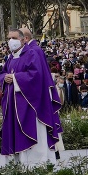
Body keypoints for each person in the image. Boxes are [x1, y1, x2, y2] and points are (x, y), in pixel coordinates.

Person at [0, 29, 56, 166]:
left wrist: (15, 78)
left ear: (23, 39)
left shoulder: (32, 54)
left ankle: (36, 165)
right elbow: (3, 73)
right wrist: (4, 78)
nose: (10, 41)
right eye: (9, 38)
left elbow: (36, 75)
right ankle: (18, 166)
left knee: (30, 134)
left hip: (29, 104)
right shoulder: (11, 57)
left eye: (13, 38)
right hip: (13, 104)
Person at [20, 27, 63, 155]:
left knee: (43, 124)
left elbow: (35, 74)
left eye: (16, 38)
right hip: (40, 90)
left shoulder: (33, 50)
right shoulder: (35, 49)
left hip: (39, 92)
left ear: (25, 38)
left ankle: (48, 153)